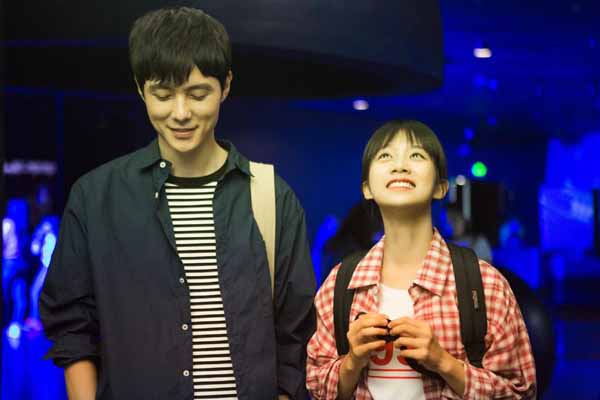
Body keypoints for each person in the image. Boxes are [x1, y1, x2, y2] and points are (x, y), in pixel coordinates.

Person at [40, 7, 316, 400]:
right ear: (141, 89)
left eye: (198, 94)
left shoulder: (272, 197)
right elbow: (73, 328)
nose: (181, 113)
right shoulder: (96, 198)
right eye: (163, 95)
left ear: (226, 85)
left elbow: (295, 335)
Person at [306, 120, 536, 399]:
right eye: (385, 156)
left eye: (416, 155)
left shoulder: (486, 285)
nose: (400, 166)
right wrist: (352, 362)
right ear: (367, 189)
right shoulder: (339, 285)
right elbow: (316, 386)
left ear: (440, 187)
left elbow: (520, 392)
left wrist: (443, 362)